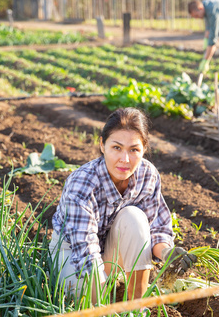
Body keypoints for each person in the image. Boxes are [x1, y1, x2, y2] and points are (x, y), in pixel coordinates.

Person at [49, 107, 197, 303]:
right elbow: (86, 253)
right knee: (88, 302)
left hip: (111, 253)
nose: (125, 160)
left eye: (134, 149)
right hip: (73, 254)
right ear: (102, 145)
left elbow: (156, 228)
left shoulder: (147, 175)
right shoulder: (83, 184)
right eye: (116, 148)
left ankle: (137, 307)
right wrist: (101, 306)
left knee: (134, 216)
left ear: (144, 148)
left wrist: (167, 253)